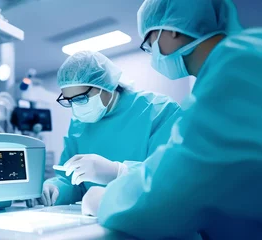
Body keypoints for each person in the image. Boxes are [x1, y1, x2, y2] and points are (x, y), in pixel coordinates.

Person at [82, 0, 262, 239]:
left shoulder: (236, 67)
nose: (151, 54)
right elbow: (185, 161)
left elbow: (170, 196)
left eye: (149, 43)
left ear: (173, 29)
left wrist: (107, 199)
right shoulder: (243, 57)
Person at [27, 51, 181, 207]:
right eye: (69, 101)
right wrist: (55, 188)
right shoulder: (79, 124)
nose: (76, 107)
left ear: (105, 86)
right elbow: (70, 180)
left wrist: (118, 171)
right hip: (96, 220)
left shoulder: (159, 110)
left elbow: (171, 174)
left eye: (81, 98)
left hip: (152, 218)